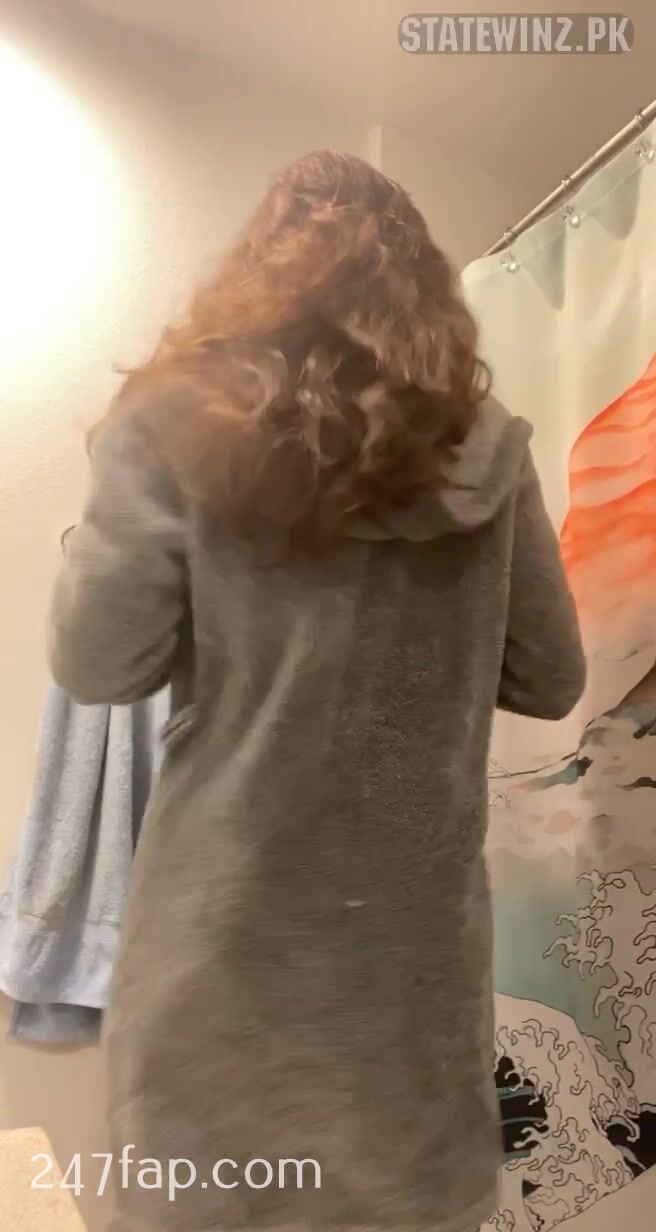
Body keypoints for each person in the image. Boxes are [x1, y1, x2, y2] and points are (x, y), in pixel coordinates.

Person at [48, 149, 586, 1232]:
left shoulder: (174, 427)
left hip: (222, 962)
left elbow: (100, 661)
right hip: (409, 995)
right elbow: (549, 674)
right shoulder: (487, 454)